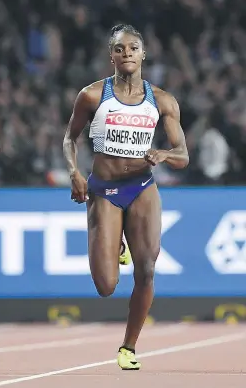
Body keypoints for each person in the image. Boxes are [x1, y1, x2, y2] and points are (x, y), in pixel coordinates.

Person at [63, 24, 189, 370]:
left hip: (142, 188)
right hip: (103, 191)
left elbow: (183, 154)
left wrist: (163, 154)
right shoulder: (91, 95)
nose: (127, 53)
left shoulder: (162, 101)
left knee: (147, 269)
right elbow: (69, 139)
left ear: (143, 54)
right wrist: (74, 171)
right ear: (112, 56)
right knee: (105, 286)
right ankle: (114, 240)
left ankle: (128, 347)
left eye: (133, 48)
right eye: (120, 49)